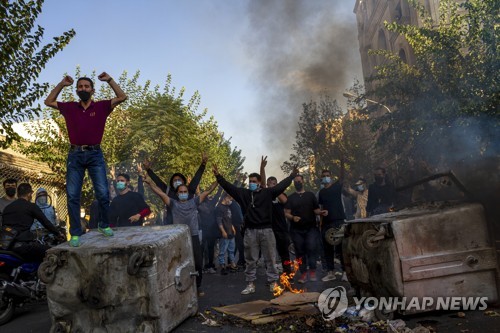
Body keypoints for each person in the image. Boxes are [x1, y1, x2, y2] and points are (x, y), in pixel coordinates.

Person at [44, 73, 127, 247]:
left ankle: (103, 225)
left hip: (95, 154)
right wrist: (62, 84)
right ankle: (75, 233)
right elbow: (48, 101)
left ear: (92, 90)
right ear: (76, 90)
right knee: (73, 195)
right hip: (75, 155)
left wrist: (110, 80)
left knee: (103, 194)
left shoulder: (102, 106)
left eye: (86, 86)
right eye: (80, 87)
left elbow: (122, 97)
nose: (83, 89)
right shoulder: (70, 107)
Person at [213, 163, 299, 295]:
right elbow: (229, 187)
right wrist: (218, 176)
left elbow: (282, 185)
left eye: (254, 181)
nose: (251, 183)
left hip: (267, 230)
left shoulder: (268, 193)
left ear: (259, 183)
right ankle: (250, 284)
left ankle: (273, 283)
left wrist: (292, 175)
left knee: (270, 258)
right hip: (250, 231)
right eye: (250, 181)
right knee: (250, 259)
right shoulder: (244, 194)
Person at [144, 174, 217, 295]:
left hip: (193, 236)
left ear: (188, 193)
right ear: (177, 194)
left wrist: (218, 179)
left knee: (198, 262)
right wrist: (150, 183)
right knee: (178, 263)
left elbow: (208, 191)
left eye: (185, 191)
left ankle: (198, 286)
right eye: (181, 192)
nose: (183, 193)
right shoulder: (173, 203)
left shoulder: (194, 202)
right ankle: (178, 286)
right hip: (179, 238)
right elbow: (160, 193)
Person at [2, 183, 65, 262]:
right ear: (29, 194)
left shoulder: (7, 208)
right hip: (23, 246)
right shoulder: (31, 206)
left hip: (7, 245)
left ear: (18, 194)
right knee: (53, 253)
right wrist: (58, 233)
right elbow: (45, 222)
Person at [143, 153, 208, 225]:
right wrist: (148, 170)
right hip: (172, 226)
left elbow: (196, 178)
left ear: (183, 181)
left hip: (189, 226)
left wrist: (203, 165)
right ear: (172, 182)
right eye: (175, 180)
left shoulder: (189, 190)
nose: (177, 182)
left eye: (179, 180)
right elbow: (158, 181)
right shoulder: (168, 191)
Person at [284, 174, 328, 283]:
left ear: (303, 181)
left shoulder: (310, 195)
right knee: (299, 251)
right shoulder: (291, 197)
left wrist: (321, 212)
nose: (297, 183)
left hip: (311, 228)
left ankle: (312, 271)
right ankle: (303, 273)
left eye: (299, 181)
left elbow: (316, 210)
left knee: (312, 248)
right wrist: (293, 217)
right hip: (296, 230)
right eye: (296, 181)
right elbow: (286, 213)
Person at [260, 156, 292, 274]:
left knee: (285, 254)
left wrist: (276, 190)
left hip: (281, 229)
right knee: (269, 255)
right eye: (269, 184)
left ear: (277, 184)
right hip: (269, 229)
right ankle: (271, 278)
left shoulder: (281, 194)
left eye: (273, 184)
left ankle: (288, 274)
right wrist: (262, 168)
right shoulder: (265, 194)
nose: (270, 185)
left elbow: (284, 201)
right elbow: (262, 183)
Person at [318, 169, 347, 282]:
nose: (326, 177)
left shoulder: (336, 187)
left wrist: (341, 163)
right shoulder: (321, 192)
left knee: (340, 248)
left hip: (338, 221)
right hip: (326, 223)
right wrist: (320, 222)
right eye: (324, 176)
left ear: (331, 177)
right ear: (321, 179)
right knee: (327, 248)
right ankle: (331, 272)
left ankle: (345, 272)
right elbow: (321, 208)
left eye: (327, 175)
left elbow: (342, 176)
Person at [197, 185, 223, 273]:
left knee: (207, 249)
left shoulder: (203, 204)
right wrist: (220, 187)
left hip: (208, 230)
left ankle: (208, 265)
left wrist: (220, 187)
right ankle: (206, 266)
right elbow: (218, 195)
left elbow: (218, 195)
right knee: (205, 249)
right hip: (204, 230)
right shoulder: (200, 204)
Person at [216, 194, 237, 275]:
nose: (231, 200)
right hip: (224, 233)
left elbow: (229, 219)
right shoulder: (219, 208)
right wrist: (223, 231)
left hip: (230, 232)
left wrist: (232, 228)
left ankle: (232, 264)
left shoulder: (228, 207)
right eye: (230, 198)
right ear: (225, 198)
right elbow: (219, 221)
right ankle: (222, 266)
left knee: (231, 250)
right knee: (222, 251)